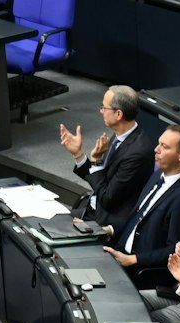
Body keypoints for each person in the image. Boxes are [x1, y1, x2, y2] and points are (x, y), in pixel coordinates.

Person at [98, 125, 180, 286]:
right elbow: (137, 217)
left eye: (164, 147)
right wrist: (109, 229)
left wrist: (133, 259)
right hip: (119, 253)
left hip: (141, 272)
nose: (156, 149)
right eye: (158, 143)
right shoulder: (157, 176)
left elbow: (174, 250)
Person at [61, 85, 156, 231]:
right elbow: (101, 181)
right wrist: (78, 154)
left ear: (118, 114)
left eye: (104, 108)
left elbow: (108, 198)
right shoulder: (120, 136)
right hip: (93, 210)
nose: (101, 111)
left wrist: (96, 162)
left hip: (106, 222)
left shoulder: (138, 152)